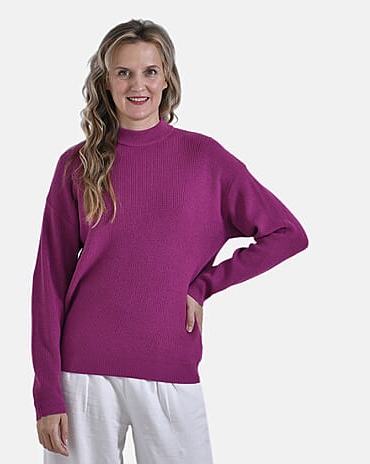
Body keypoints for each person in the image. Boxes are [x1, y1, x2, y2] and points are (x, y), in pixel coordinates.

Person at [31, 18, 309, 464]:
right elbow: (48, 282)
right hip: (82, 369)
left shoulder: (205, 158)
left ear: (167, 79)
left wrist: (204, 285)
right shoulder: (77, 164)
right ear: (106, 81)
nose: (137, 85)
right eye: (123, 72)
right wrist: (47, 392)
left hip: (168, 360)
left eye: (150, 71)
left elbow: (287, 233)